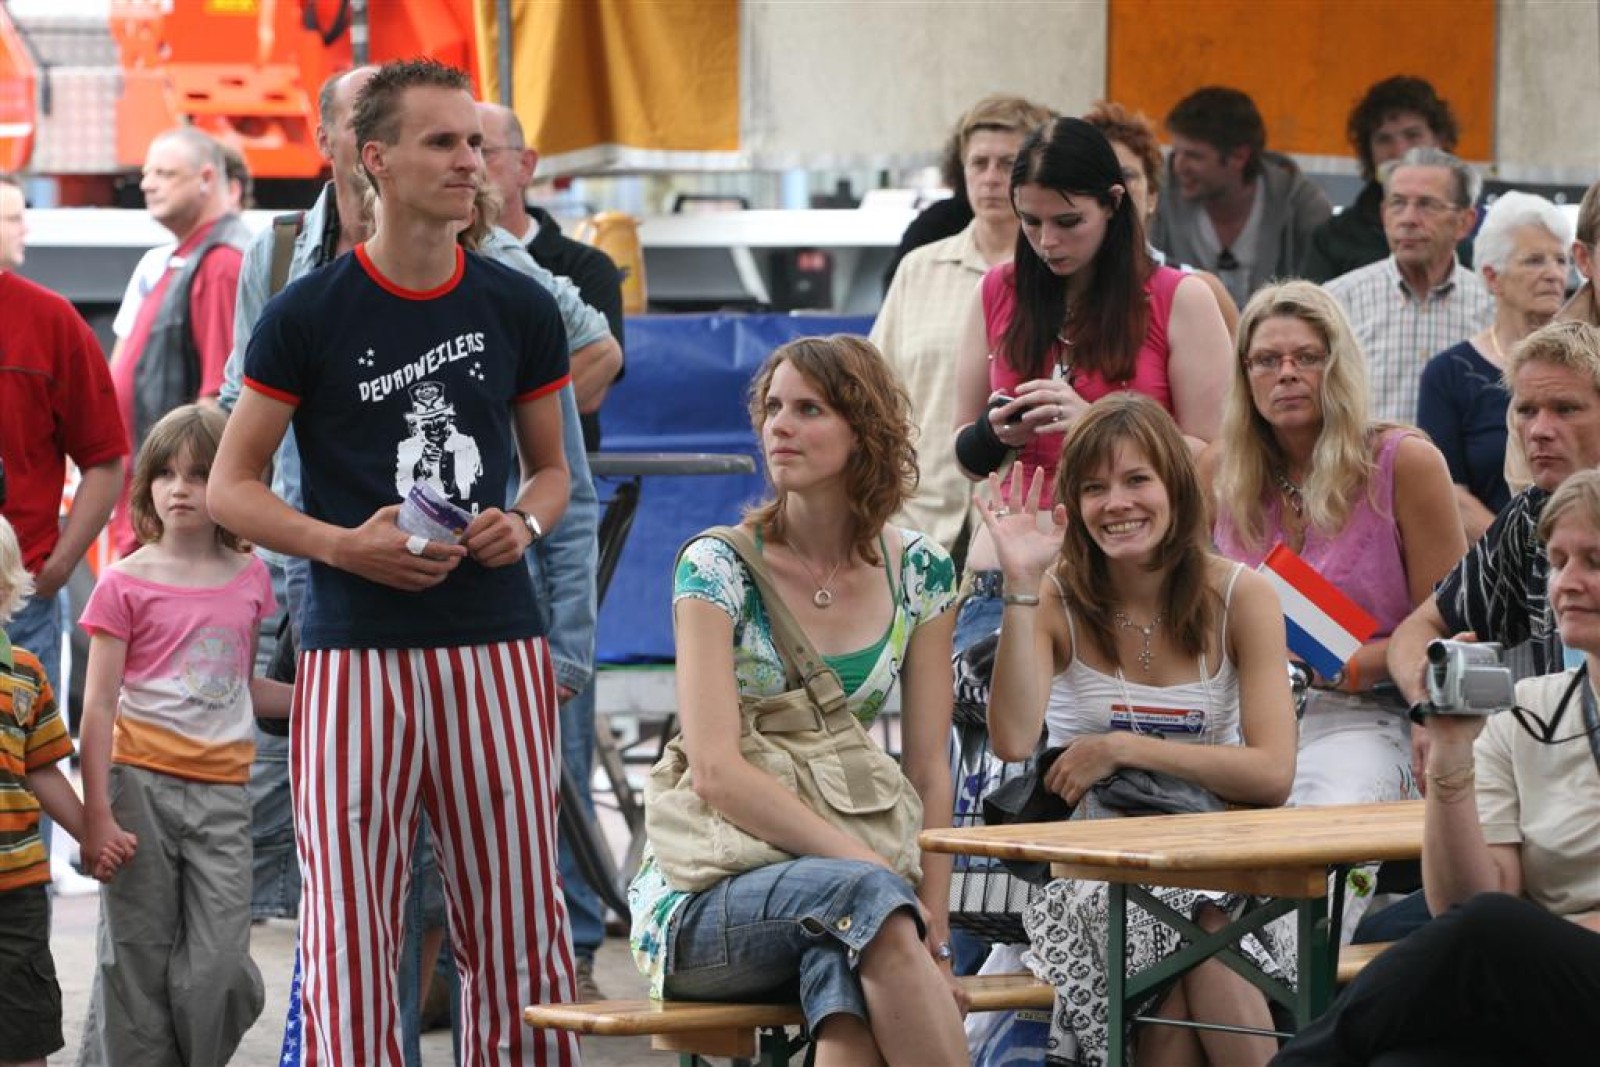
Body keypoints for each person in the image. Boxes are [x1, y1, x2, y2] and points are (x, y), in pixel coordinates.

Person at [210, 58, 578, 1065]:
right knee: (349, 925)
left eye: (475, 143)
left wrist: (523, 524)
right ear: (375, 159)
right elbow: (230, 485)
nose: (470, 162)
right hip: (351, 650)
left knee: (519, 920)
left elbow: (553, 473)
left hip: (496, 643)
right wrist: (342, 545)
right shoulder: (306, 311)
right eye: (442, 141)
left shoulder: (519, 305)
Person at [629, 334, 969, 1065]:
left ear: (864, 430)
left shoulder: (922, 572)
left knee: (848, 972)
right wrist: (879, 877)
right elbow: (715, 772)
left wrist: (933, 927)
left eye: (809, 409)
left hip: (848, 897)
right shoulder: (715, 566)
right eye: (773, 408)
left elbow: (930, 769)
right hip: (706, 892)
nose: (779, 426)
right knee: (865, 911)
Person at [983, 392, 1298, 1067]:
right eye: (1094, 488)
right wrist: (1021, 586)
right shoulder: (1057, 594)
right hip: (1091, 871)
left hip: (1214, 856)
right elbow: (1011, 739)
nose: (1116, 503)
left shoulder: (1243, 595)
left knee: (1195, 933)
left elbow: (1273, 773)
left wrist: (1121, 748)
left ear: (1175, 488)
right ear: (1075, 504)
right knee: (1198, 931)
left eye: (1136, 480)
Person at [1273, 469, 1600, 1067]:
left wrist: (1535, 935)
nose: (1569, 582)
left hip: (1546, 968)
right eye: (1557, 562)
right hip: (1540, 984)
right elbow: (1469, 902)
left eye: (1594, 562)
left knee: (1493, 931)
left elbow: (1491, 927)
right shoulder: (1523, 713)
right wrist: (1451, 754)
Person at [950, 115, 1232, 657]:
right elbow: (963, 452)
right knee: (994, 708)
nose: (1047, 241)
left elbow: (1218, 460)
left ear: (1114, 203)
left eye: (1068, 221)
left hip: (1132, 577)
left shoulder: (1180, 297)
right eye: (1030, 221)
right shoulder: (997, 291)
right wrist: (994, 432)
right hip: (1010, 572)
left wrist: (1097, 423)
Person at [75, 405, 288, 1066]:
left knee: (219, 967)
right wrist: (96, 815)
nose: (180, 489)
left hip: (225, 796)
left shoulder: (251, 578)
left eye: (198, 474)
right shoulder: (124, 581)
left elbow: (238, 686)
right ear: (146, 486)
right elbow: (98, 705)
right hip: (138, 790)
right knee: (135, 959)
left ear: (229, 480)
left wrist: (324, 699)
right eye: (165, 473)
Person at [1206, 281, 1465, 814]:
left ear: (1339, 366)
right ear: (1244, 375)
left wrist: (1352, 666)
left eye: (1307, 357)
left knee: (1325, 819)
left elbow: (1451, 628)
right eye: (1266, 360)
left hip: (1369, 713)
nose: (1286, 373)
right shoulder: (1219, 470)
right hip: (1242, 715)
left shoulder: (1403, 462)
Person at [1388, 321, 1600, 767]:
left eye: (1565, 409)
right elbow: (1416, 630)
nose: (1539, 430)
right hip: (1560, 766)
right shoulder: (1531, 514)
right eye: (1526, 411)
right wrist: (1429, 700)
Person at [872, 93, 1054, 561]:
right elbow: (873, 392)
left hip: (1023, 525)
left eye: (1007, 163)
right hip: (918, 518)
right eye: (978, 163)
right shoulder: (919, 269)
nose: (991, 178)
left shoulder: (1059, 272)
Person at [0, 514, 134, 1067]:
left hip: (16, 893)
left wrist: (91, 833)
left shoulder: (25, 675)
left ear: (5, 591)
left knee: (23, 1029)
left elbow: (42, 770)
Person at [0, 173, 128, 709]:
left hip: (16, 600)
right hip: (23, 593)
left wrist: (54, 571)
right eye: (12, 217)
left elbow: (105, 461)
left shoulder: (50, 321)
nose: (23, 228)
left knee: (24, 758)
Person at [108, 127, 250, 557]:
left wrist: (174, 509)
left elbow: (216, 405)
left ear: (207, 178)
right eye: (146, 173)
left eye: (164, 173)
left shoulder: (220, 265)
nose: (147, 184)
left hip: (169, 535)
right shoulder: (189, 259)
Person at [1418, 191, 1572, 540]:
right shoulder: (1449, 373)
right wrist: (1519, 555)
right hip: (1489, 560)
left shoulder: (1588, 363)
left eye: (1561, 260)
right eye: (1534, 260)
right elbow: (1450, 494)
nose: (1554, 274)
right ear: (1492, 277)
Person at [477, 101, 625, 450]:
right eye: (446, 147)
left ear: (526, 165)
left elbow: (595, 379)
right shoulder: (434, 263)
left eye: (483, 151)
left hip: (558, 470)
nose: (469, 164)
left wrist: (490, 430)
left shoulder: (587, 268)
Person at [1325, 146, 1493, 424]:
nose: (1408, 219)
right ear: (1384, 214)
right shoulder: (1337, 302)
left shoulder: (1494, 307)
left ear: (1465, 222)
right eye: (1398, 203)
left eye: (1427, 204)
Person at [1149, 86, 1332, 307]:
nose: (1178, 166)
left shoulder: (1303, 208)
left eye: (1194, 156)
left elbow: (1322, 302)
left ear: (1239, 157)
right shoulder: (1157, 200)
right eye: (1176, 152)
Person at [1083, 99, 1240, 336]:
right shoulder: (1046, 287)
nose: (1114, 188)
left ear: (1152, 197)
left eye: (1127, 175)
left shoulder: (1201, 289)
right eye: (1098, 175)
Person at [1301, 76, 1461, 284]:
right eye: (1384, 140)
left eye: (1413, 135)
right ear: (1369, 152)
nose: (1400, 151)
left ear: (1439, 141)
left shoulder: (1466, 230)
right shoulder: (1334, 238)